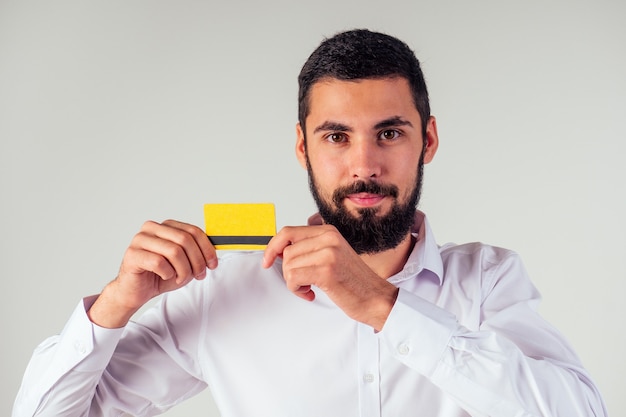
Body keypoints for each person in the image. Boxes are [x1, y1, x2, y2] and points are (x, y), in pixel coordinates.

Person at [13, 29, 606, 417]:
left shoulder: (487, 280)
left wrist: (382, 306)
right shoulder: (228, 291)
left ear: (427, 140)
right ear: (302, 147)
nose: (364, 165)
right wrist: (112, 308)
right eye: (336, 136)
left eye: (390, 133)